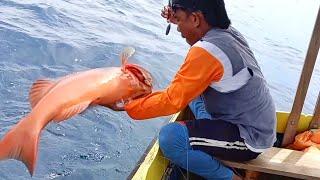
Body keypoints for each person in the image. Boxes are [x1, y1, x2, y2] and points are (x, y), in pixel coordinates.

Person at [124, 0, 277, 179]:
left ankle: (232, 178)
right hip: (254, 121)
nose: (178, 29)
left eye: (179, 20)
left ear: (196, 18)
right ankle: (209, 135)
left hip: (249, 138)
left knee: (171, 138)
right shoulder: (227, 33)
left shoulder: (207, 51)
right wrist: (179, 16)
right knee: (191, 92)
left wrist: (128, 105)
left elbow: (171, 102)